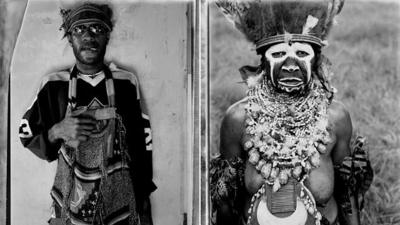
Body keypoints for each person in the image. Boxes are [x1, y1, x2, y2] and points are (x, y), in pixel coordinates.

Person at [210, 1, 373, 225]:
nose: (290, 65)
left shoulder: (335, 117)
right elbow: (226, 201)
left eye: (301, 53)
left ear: (315, 60)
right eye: (278, 53)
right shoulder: (238, 118)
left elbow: (347, 192)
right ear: (264, 61)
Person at [18, 2, 156, 224]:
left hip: (119, 200)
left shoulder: (125, 83)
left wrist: (144, 200)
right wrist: (57, 130)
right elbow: (25, 135)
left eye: (97, 29)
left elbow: (142, 145)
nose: (89, 37)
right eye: (79, 30)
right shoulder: (54, 85)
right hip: (69, 199)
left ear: (107, 37)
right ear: (70, 38)